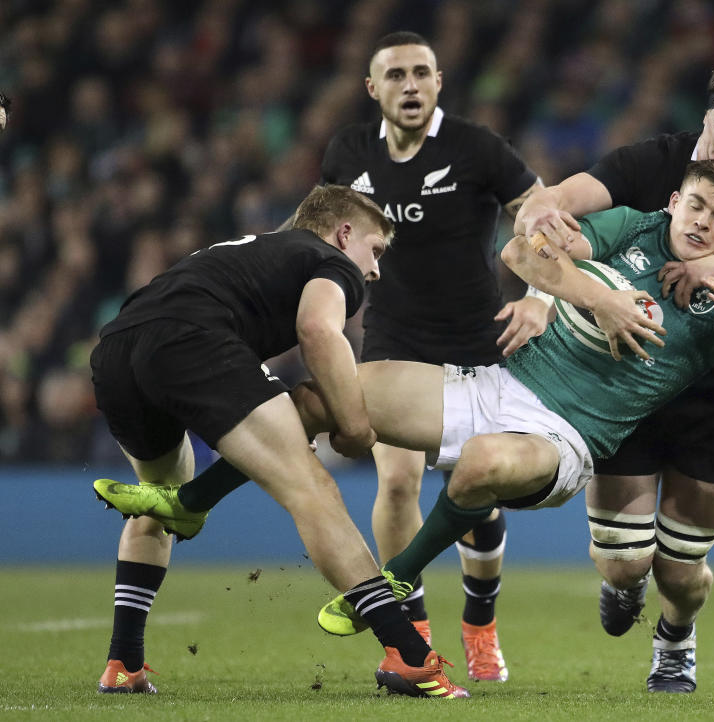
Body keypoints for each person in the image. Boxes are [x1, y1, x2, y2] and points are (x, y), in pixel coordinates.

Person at [96, 163, 714, 677]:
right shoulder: (630, 228)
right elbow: (520, 249)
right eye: (696, 207)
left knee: (477, 465)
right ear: (674, 200)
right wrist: (590, 297)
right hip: (497, 384)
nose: (703, 224)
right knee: (323, 394)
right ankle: (189, 505)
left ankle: (394, 581)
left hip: (563, 437)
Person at [166, 30, 545, 682]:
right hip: (395, 336)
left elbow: (543, 211)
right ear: (372, 88)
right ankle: (414, 631)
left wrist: (539, 295)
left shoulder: (476, 148)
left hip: (478, 341)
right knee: (396, 481)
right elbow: (314, 235)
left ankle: (479, 621)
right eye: (394, 75)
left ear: (439, 82)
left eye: (421, 73)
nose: (410, 86)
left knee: (477, 495)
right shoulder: (348, 150)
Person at [514, 47, 714, 692]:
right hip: (623, 381)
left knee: (681, 572)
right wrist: (544, 284)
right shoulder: (655, 161)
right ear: (707, 113)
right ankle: (625, 587)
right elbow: (549, 209)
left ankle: (676, 639)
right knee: (624, 564)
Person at [89, 184, 469, 699]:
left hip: (117, 348)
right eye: (375, 250)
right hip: (191, 340)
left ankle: (123, 663)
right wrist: (355, 426)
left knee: (159, 504)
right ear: (343, 232)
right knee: (310, 488)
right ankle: (405, 652)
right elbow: (317, 329)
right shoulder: (331, 261)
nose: (375, 269)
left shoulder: (254, 251)